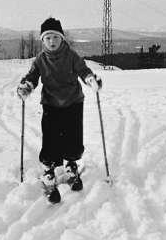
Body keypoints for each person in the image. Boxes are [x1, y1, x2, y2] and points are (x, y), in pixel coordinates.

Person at [17, 17, 102, 203]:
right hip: (50, 104)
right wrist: (26, 87)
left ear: (62, 38)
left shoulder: (71, 55)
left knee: (73, 138)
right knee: (51, 138)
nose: (52, 41)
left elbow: (83, 70)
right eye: (47, 38)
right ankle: (49, 174)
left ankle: (71, 168)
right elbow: (32, 76)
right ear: (42, 41)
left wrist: (91, 80)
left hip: (73, 102)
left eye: (55, 37)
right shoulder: (40, 59)